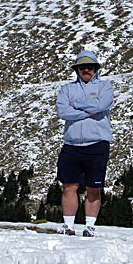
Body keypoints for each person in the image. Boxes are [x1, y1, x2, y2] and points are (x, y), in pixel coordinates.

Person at [55, 50, 114, 237]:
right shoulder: (66, 89)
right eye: (82, 67)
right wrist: (88, 110)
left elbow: (102, 105)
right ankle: (69, 226)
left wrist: (77, 104)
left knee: (93, 188)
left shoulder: (105, 87)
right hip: (72, 144)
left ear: (96, 69)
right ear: (77, 69)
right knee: (69, 186)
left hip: (97, 143)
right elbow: (62, 112)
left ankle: (89, 227)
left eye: (90, 67)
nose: (86, 70)